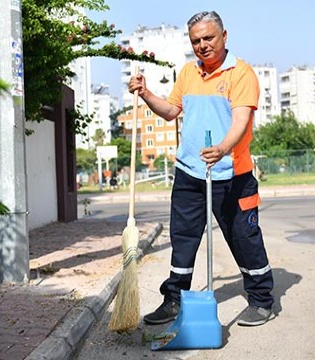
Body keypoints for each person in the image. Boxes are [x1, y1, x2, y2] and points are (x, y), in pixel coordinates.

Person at [128, 10, 274, 327]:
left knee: (243, 238)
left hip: (232, 175)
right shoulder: (188, 73)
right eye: (196, 40)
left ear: (224, 36)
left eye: (208, 38)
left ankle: (261, 300)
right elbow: (170, 111)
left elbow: (240, 121)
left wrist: (222, 148)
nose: (202, 45)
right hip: (190, 174)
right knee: (182, 240)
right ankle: (174, 300)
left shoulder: (241, 73)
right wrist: (146, 93)